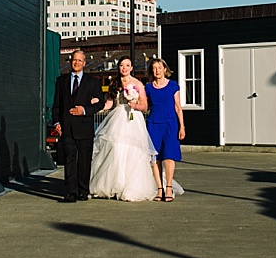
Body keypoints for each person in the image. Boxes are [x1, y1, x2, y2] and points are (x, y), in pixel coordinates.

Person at [88, 55, 159, 201]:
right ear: (118, 67)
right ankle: (113, 185)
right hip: (118, 117)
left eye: (127, 65)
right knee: (115, 149)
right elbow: (109, 103)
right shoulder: (114, 83)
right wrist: (97, 105)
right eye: (121, 65)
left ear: (132, 68)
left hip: (133, 118)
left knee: (133, 151)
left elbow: (145, 106)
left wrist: (135, 105)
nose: (124, 68)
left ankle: (131, 187)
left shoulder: (138, 84)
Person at [51, 50, 105, 202]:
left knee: (84, 161)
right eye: (74, 60)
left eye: (79, 60)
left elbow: (100, 103)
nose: (76, 63)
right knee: (70, 160)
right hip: (66, 128)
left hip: (85, 127)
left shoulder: (93, 82)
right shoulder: (61, 81)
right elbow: (57, 105)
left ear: (84, 63)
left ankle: (83, 190)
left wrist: (85, 110)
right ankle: (71, 191)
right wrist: (56, 122)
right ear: (70, 61)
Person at [143, 58, 185, 202]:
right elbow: (144, 105)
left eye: (159, 68)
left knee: (168, 156)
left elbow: (178, 107)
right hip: (153, 123)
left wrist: (182, 126)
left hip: (170, 123)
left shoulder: (173, 86)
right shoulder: (148, 88)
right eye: (154, 68)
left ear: (165, 69)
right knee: (155, 158)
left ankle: (169, 187)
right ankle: (159, 189)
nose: (157, 71)